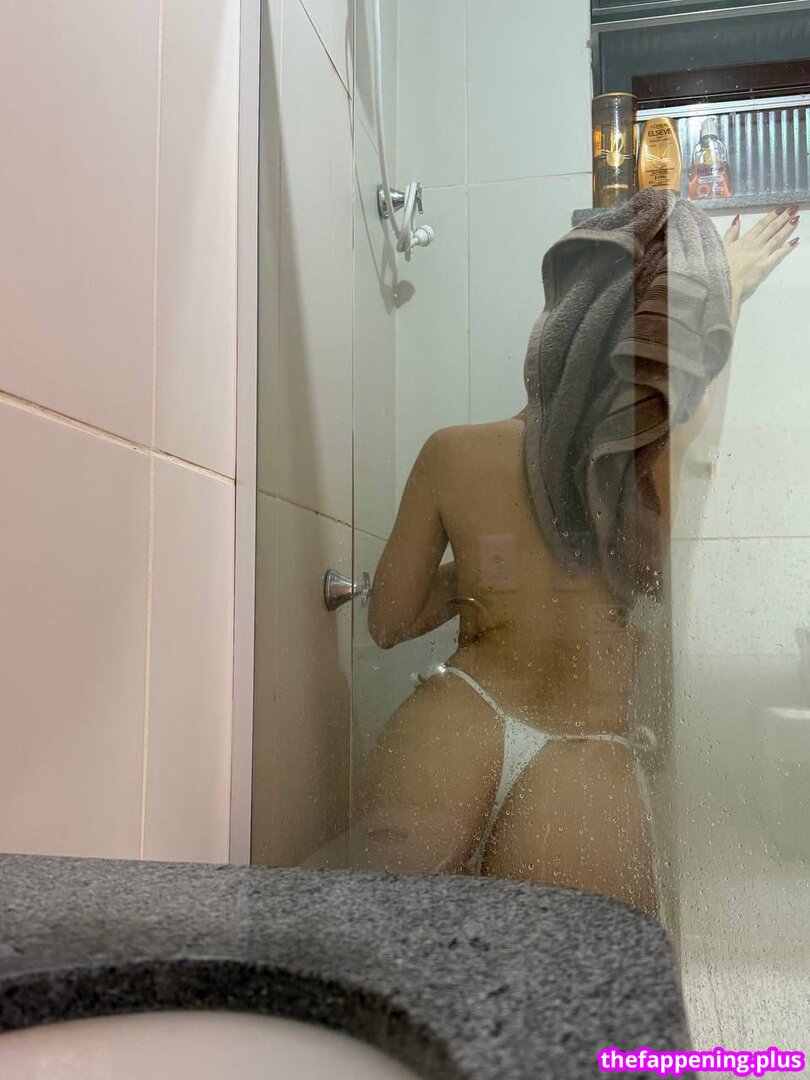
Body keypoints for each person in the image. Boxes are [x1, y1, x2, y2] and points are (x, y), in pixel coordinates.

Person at [358, 202, 800, 916]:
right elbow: (693, 379)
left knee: (396, 964)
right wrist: (730, 289)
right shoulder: (654, 464)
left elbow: (387, 620)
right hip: (585, 760)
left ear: (555, 330)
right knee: (564, 985)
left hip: (451, 724)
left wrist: (489, 573)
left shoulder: (454, 453)